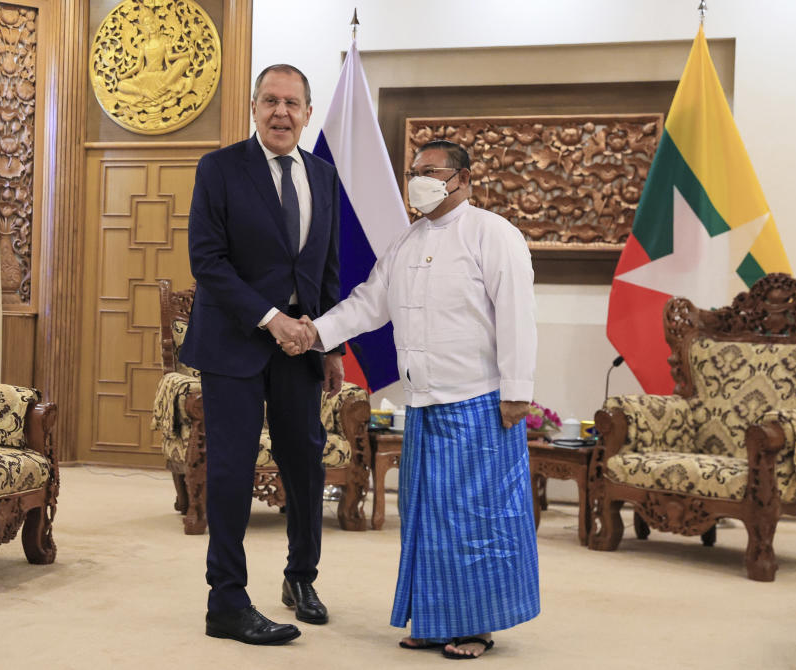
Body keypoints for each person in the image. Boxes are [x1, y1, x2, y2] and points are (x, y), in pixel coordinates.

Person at [283, 140, 539, 659]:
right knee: (426, 518)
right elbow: (367, 305)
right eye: (413, 171)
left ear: (463, 179)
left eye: (429, 171)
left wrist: (517, 392)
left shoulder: (494, 234)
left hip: (478, 402)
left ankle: (475, 626)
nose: (416, 180)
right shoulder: (406, 241)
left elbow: (516, 315)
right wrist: (316, 334)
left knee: (475, 519)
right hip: (422, 403)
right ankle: (433, 617)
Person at [180, 63, 344, 646]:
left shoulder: (323, 176)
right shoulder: (219, 169)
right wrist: (271, 318)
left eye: (292, 103)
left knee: (306, 462)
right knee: (230, 469)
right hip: (235, 344)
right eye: (270, 101)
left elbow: (327, 268)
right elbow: (208, 261)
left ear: (307, 111)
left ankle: (301, 578)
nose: (281, 112)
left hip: (301, 348)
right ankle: (226, 600)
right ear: (254, 107)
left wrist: (329, 345)